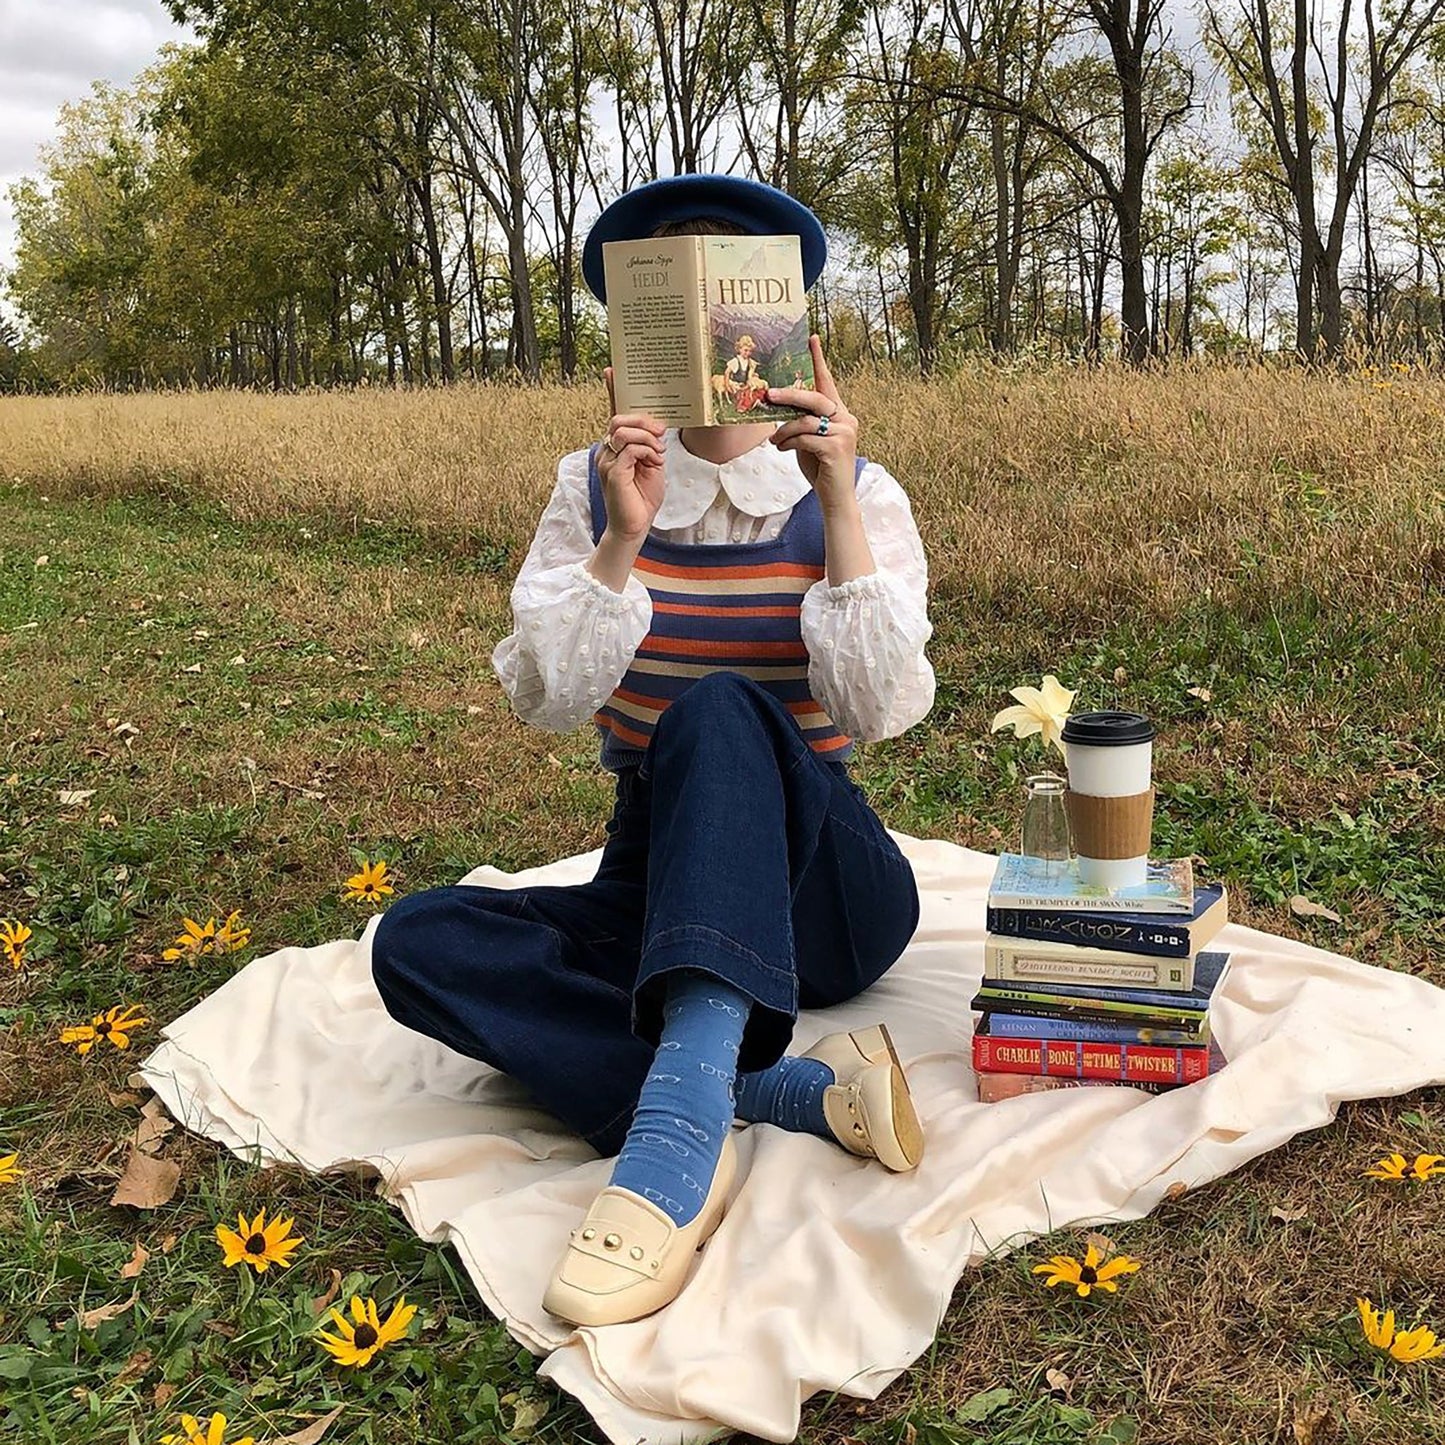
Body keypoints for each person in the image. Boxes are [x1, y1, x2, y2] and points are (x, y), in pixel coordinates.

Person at [369, 174, 937, 1329]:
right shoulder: (589, 490)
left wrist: (831, 506)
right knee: (414, 940)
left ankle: (673, 1146)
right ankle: (764, 1087)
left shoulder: (858, 488)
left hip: (825, 879)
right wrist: (623, 541)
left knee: (724, 707)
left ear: (776, 313)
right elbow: (542, 699)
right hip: (660, 875)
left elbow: (879, 710)